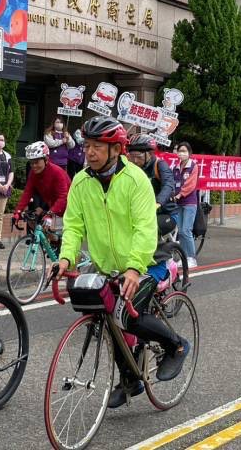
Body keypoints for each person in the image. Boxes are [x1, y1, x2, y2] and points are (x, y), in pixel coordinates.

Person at [56, 116, 190, 408]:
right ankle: (130, 378)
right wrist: (66, 257)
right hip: (107, 265)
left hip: (147, 261)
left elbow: (145, 227)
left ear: (116, 149)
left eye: (97, 147)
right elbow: (74, 225)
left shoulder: (136, 180)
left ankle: (176, 345)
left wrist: (133, 267)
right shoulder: (80, 181)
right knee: (105, 313)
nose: (89, 152)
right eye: (87, 145)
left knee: (126, 315)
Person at [13, 141, 71, 227]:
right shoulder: (33, 173)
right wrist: (17, 211)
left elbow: (63, 197)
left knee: (60, 236)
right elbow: (27, 192)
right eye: (31, 162)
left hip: (68, 207)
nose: (33, 166)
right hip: (52, 205)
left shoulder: (57, 172)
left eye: (36, 162)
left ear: (46, 160)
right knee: (41, 232)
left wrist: (50, 213)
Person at [126, 134, 177, 216]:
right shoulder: (132, 167)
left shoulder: (160, 165)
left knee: (161, 226)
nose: (135, 160)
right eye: (132, 157)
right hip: (143, 211)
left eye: (139, 157)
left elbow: (168, 184)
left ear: (150, 153)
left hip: (164, 212)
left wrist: (158, 202)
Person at [172, 141, 199, 268]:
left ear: (189, 153)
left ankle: (191, 258)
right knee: (181, 232)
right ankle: (183, 258)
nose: (181, 153)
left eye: (184, 151)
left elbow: (190, 184)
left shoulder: (193, 166)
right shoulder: (176, 167)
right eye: (180, 151)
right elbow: (172, 183)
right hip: (178, 203)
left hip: (189, 203)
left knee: (186, 230)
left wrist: (179, 194)